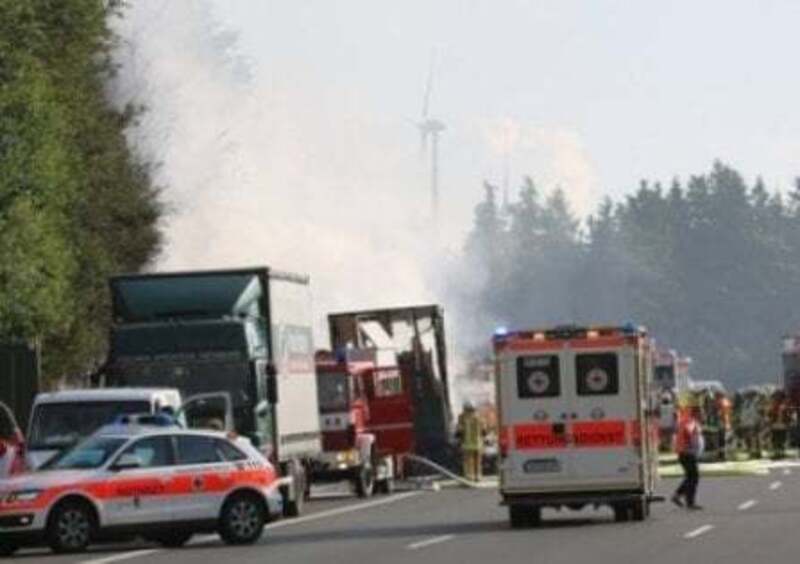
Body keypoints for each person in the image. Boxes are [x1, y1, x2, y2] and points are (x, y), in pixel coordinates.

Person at [672, 403, 704, 510]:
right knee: (693, 477)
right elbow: (689, 432)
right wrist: (691, 444)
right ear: (696, 413)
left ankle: (677, 495)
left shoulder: (688, 420)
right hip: (687, 453)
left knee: (691, 477)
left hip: (685, 453)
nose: (702, 415)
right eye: (701, 412)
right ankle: (690, 502)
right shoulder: (690, 421)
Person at [456, 401, 485, 482]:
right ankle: (478, 476)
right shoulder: (479, 417)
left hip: (467, 443)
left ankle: (469, 477)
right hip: (478, 443)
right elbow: (484, 430)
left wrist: (458, 438)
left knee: (468, 461)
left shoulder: (462, 417)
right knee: (478, 461)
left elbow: (459, 430)